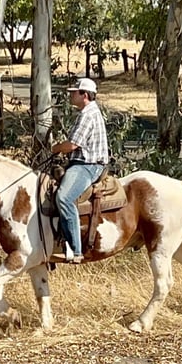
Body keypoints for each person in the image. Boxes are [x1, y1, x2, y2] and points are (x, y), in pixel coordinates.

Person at [51, 77, 109, 264]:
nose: (70, 95)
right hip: (84, 163)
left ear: (84, 95)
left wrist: (56, 148)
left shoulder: (87, 115)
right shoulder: (88, 112)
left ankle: (76, 249)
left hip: (88, 165)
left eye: (73, 92)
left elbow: (72, 145)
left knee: (64, 198)